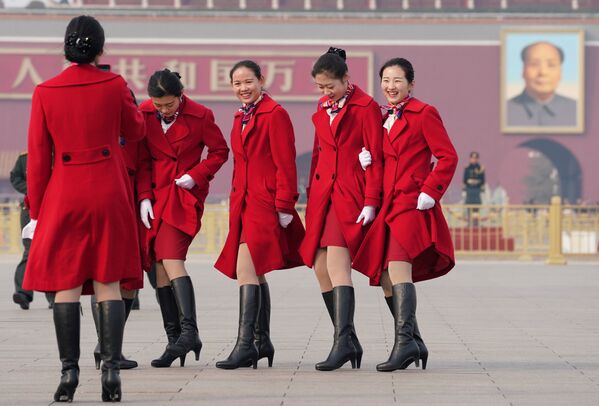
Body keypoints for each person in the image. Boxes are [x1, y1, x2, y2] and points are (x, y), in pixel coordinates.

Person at [22, 15, 145, 402]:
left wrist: (37, 212)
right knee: (108, 279)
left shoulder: (45, 90)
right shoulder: (115, 84)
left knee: (66, 282)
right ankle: (110, 372)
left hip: (64, 191)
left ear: (66, 47)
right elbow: (138, 130)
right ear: (101, 48)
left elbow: (39, 159)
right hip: (108, 188)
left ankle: (68, 375)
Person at [355, 57, 457, 372]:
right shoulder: (383, 118)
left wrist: (431, 190)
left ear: (411, 84)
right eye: (386, 80)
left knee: (398, 269)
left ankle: (403, 345)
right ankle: (414, 341)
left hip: (411, 204)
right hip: (387, 205)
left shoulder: (425, 113)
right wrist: (368, 161)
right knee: (385, 276)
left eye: (397, 80)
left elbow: (447, 156)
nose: (390, 87)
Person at [214, 60, 305, 370]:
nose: (243, 88)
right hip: (244, 203)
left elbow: (286, 162)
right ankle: (261, 341)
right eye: (237, 84)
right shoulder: (240, 116)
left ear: (261, 80)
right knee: (255, 271)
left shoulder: (275, 114)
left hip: (265, 204)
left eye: (248, 82)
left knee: (246, 270)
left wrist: (284, 205)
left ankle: (245, 345)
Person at [137, 69, 229, 369]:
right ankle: (174, 339)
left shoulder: (201, 115)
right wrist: (143, 197)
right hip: (155, 196)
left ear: (180, 96)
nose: (163, 110)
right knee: (160, 265)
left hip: (183, 195)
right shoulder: (145, 112)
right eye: (158, 105)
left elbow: (219, 151)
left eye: (169, 104)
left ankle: (189, 332)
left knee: (172, 259)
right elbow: (140, 158)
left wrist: (196, 175)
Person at [299, 47, 383, 371]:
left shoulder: (366, 107)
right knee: (320, 268)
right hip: (323, 197)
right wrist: (310, 196)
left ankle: (342, 342)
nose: (324, 92)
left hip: (349, 195)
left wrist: (371, 200)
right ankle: (347, 339)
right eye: (320, 87)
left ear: (346, 78)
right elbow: (319, 154)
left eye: (329, 86)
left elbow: (375, 157)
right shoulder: (323, 108)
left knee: (337, 266)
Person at [10, 151, 55, 310]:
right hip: (29, 210)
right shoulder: (24, 158)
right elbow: (15, 177)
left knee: (51, 252)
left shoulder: (57, 155)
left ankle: (54, 296)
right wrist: (31, 190)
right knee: (30, 251)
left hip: (52, 208)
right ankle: (23, 293)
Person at [507, 41, 577, 127]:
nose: (543, 72)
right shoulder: (504, 111)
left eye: (551, 65)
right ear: (523, 70)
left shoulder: (577, 110)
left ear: (560, 72)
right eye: (534, 64)